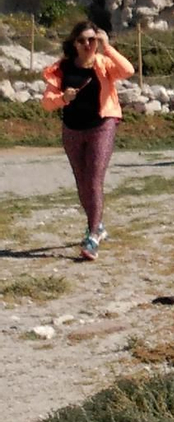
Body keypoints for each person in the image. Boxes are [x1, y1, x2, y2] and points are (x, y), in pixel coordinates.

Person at [40, 22, 135, 260]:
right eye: (82, 40)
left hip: (102, 125)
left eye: (92, 40)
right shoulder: (61, 68)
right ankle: (97, 224)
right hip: (72, 129)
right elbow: (47, 103)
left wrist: (107, 47)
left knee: (94, 180)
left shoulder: (103, 63)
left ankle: (92, 237)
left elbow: (128, 70)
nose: (87, 44)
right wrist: (63, 98)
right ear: (74, 43)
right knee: (82, 182)